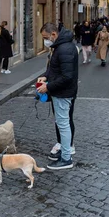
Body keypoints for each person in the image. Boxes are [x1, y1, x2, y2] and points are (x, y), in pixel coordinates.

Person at [37, 22, 78, 170]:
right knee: (62, 123)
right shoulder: (61, 46)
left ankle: (66, 158)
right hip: (62, 91)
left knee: (63, 124)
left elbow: (67, 76)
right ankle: (64, 152)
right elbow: (55, 69)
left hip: (63, 93)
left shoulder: (64, 48)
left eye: (46, 37)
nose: (45, 41)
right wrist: (45, 77)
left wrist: (47, 86)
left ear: (54, 34)